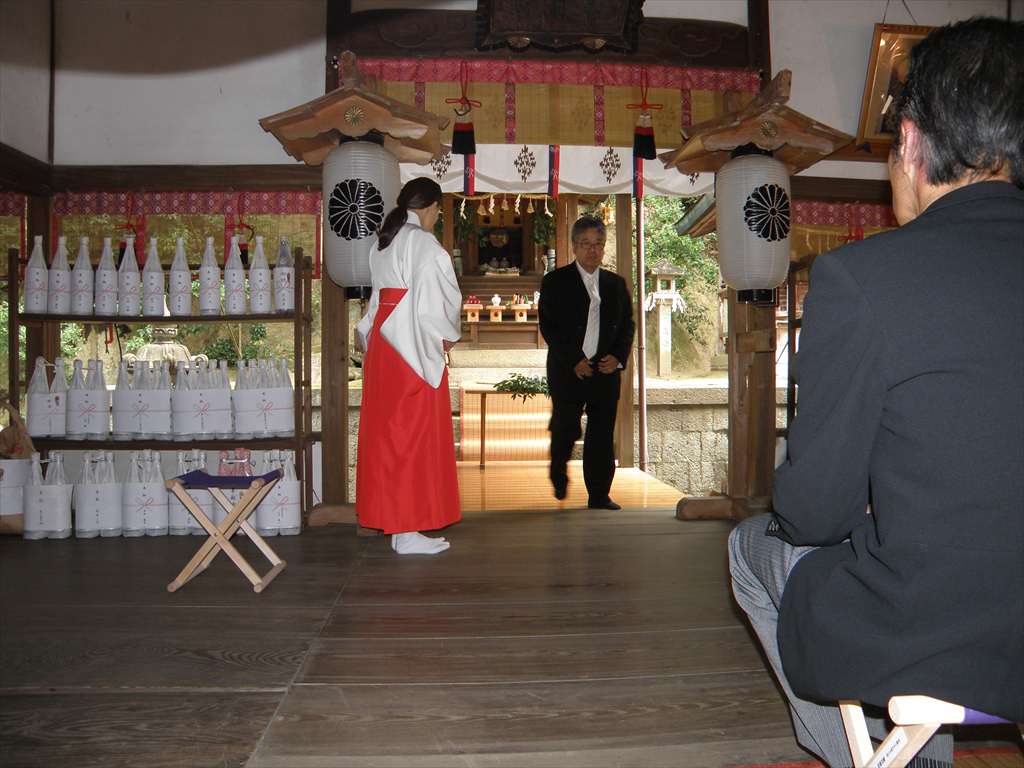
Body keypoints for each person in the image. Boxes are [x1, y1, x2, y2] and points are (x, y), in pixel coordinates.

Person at [728, 17, 1023, 767]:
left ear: (912, 142)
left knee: (752, 547)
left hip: (936, 630)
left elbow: (813, 511)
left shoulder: (866, 279)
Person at [355, 177, 462, 555]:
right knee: (412, 435)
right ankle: (407, 527)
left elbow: (379, 297)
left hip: (385, 341)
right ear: (431, 207)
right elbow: (436, 299)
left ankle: (401, 526)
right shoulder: (422, 243)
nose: (436, 217)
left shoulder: (383, 242)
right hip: (410, 344)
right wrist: (446, 333)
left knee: (389, 436)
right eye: (437, 212)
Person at [539, 215, 634, 509]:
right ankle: (558, 471)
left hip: (605, 369)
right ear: (574, 246)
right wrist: (574, 360)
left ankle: (599, 493)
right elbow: (550, 327)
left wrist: (617, 357)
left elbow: (627, 325)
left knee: (602, 431)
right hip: (568, 369)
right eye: (585, 244)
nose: (592, 250)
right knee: (566, 426)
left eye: (598, 244)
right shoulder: (555, 282)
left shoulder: (615, 284)